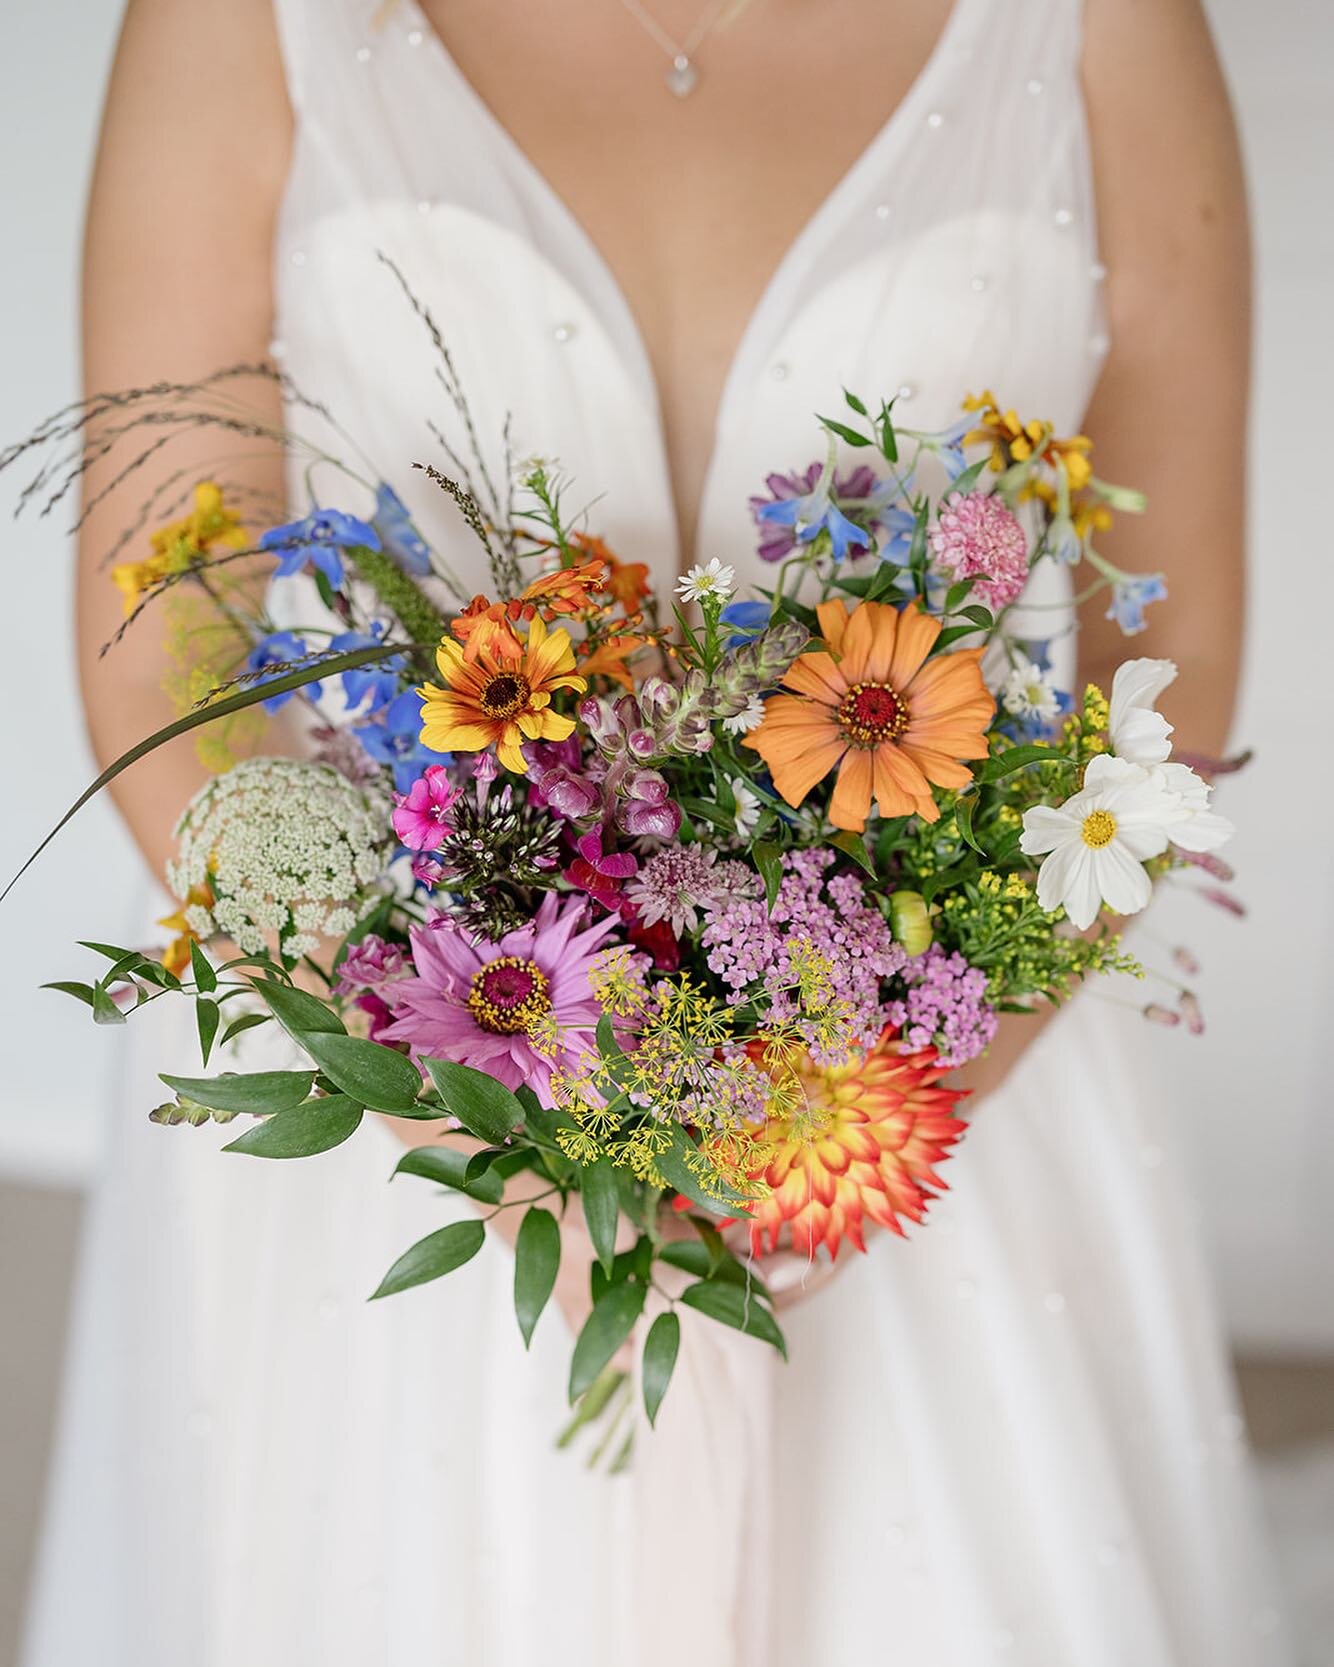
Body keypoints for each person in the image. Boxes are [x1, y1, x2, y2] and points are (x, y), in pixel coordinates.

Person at [25, 0, 1290, 1662]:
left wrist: (888, 1091)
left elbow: (1162, 662)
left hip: (927, 1057)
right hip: (400, 1044)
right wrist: (448, 1093)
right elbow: (164, 622)